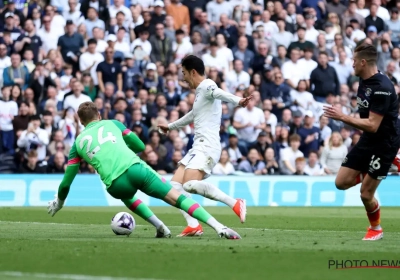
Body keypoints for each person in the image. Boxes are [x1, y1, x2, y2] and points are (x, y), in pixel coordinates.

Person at [47, 101, 241, 240]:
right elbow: (139, 145)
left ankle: (161, 227)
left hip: (115, 185)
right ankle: (219, 227)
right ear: (99, 116)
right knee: (177, 199)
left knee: (127, 196)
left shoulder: (77, 144)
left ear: (81, 122)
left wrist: (59, 203)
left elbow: (66, 183)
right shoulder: (112, 123)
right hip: (135, 168)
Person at [158, 55, 252, 237]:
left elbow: (219, 93)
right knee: (175, 186)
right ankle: (193, 225)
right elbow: (193, 115)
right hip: (198, 146)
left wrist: (238, 100)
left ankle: (235, 203)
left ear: (193, 72)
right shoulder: (201, 92)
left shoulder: (207, 85)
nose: (183, 77)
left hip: (207, 146)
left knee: (190, 185)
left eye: (184, 73)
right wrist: (170, 127)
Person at [323, 43, 400, 241]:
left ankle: (376, 229)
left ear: (364, 62)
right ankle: (387, 166)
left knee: (366, 194)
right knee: (341, 182)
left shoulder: (382, 88)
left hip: (385, 142)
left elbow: (374, 125)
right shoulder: (363, 80)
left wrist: (342, 117)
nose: (352, 64)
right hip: (369, 140)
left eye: (355, 61)